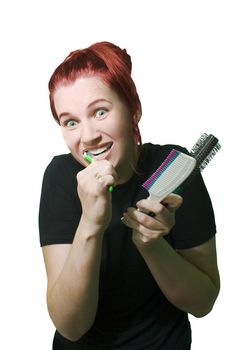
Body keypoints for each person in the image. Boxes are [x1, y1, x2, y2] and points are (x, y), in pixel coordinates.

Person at [39, 41, 220, 350]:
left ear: (133, 109)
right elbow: (70, 326)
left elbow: (202, 303)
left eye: (100, 112)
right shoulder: (60, 178)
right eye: (71, 121)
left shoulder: (175, 168)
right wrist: (91, 224)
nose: (88, 137)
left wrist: (152, 245)